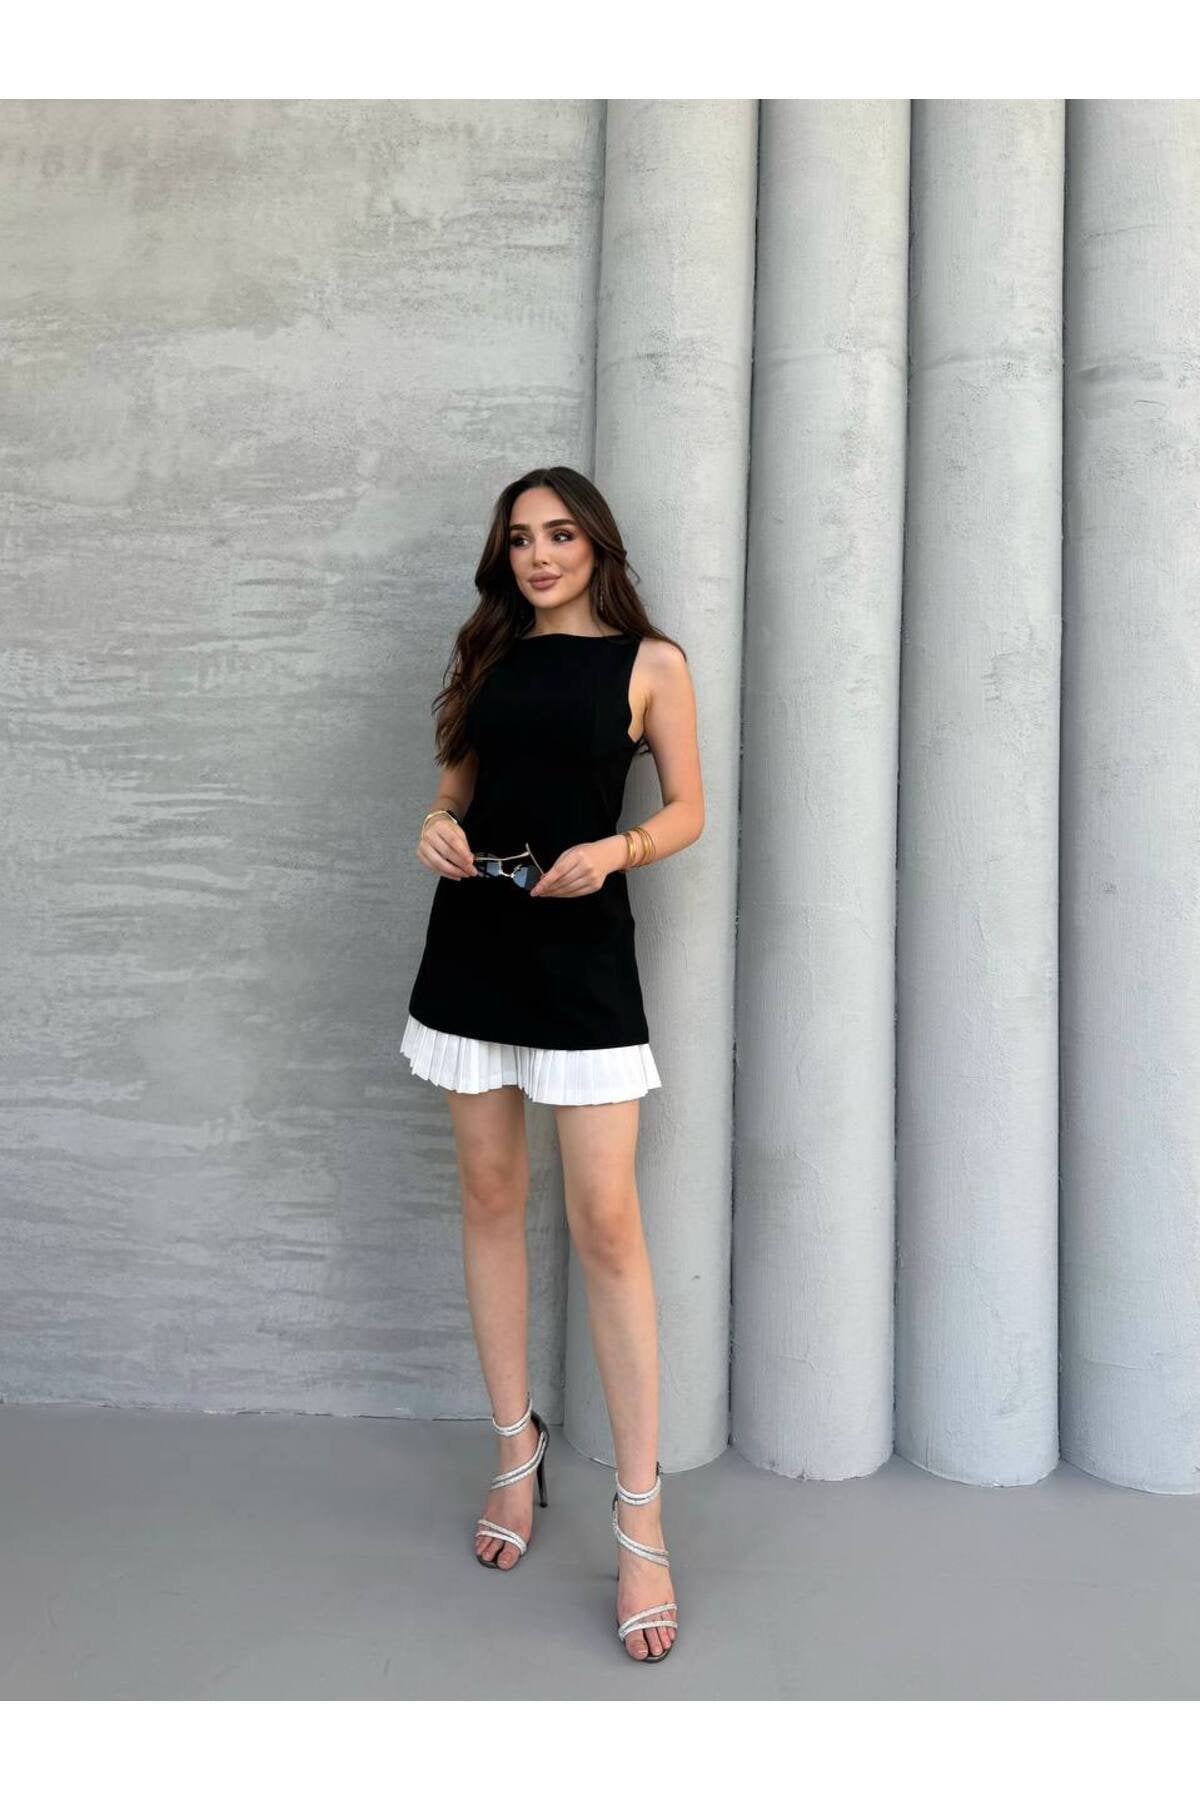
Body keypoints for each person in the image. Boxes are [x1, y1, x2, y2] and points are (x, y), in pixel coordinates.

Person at [401, 467, 704, 1664]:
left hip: (582, 955)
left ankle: (641, 1517)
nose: (538, 555)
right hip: (473, 945)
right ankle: (514, 1455)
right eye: (520, 539)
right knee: (489, 1196)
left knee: (607, 1225)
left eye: (559, 534)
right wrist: (437, 822)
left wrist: (617, 851)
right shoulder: (486, 655)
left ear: (596, 545)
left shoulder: (652, 663)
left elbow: (688, 808)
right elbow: (457, 785)